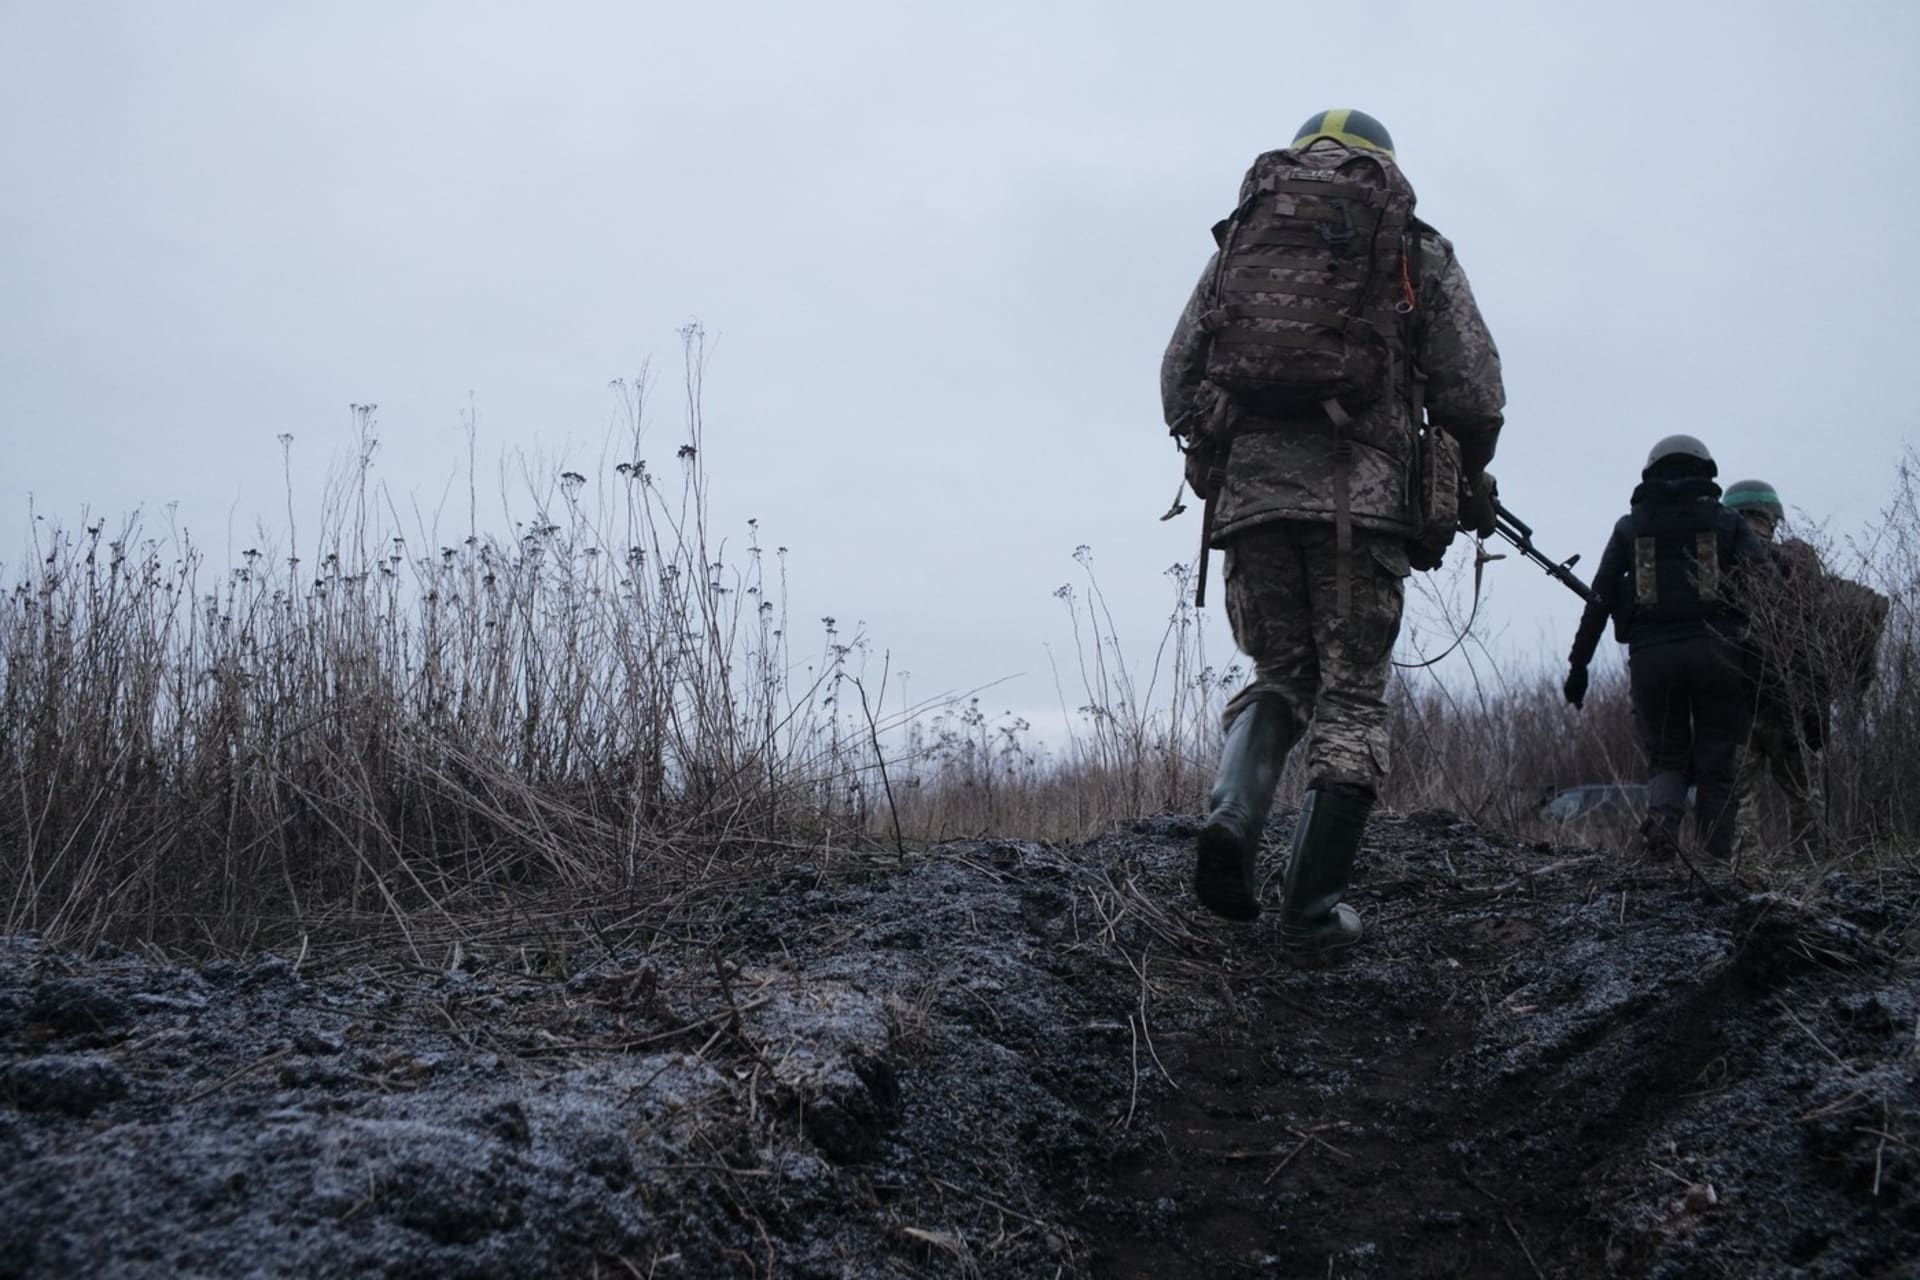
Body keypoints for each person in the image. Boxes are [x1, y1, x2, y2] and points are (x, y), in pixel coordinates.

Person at [1161, 108, 1505, 961]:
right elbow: (1474, 395)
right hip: (1363, 502)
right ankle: (1310, 917)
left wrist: (1222, 453)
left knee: (1278, 674)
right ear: (1381, 167)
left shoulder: (1241, 244)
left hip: (1252, 502)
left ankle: (1232, 819)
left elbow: (1178, 378)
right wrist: (1461, 476)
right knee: (1350, 698)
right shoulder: (1413, 250)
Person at [1563, 437, 1770, 860]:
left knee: (1667, 758)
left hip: (1652, 659)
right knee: (1717, 764)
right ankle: (1713, 865)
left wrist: (1578, 666)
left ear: (1652, 473)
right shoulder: (1729, 523)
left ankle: (1660, 848)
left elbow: (1599, 600)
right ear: (1705, 472)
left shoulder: (1629, 527)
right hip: (1719, 656)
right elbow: (1768, 590)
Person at [1724, 479, 1839, 856]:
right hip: (1791, 702)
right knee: (1805, 794)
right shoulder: (1799, 568)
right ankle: (1812, 872)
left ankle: (1746, 879)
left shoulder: (1720, 565)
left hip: (1739, 700)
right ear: (1771, 518)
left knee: (1739, 799)